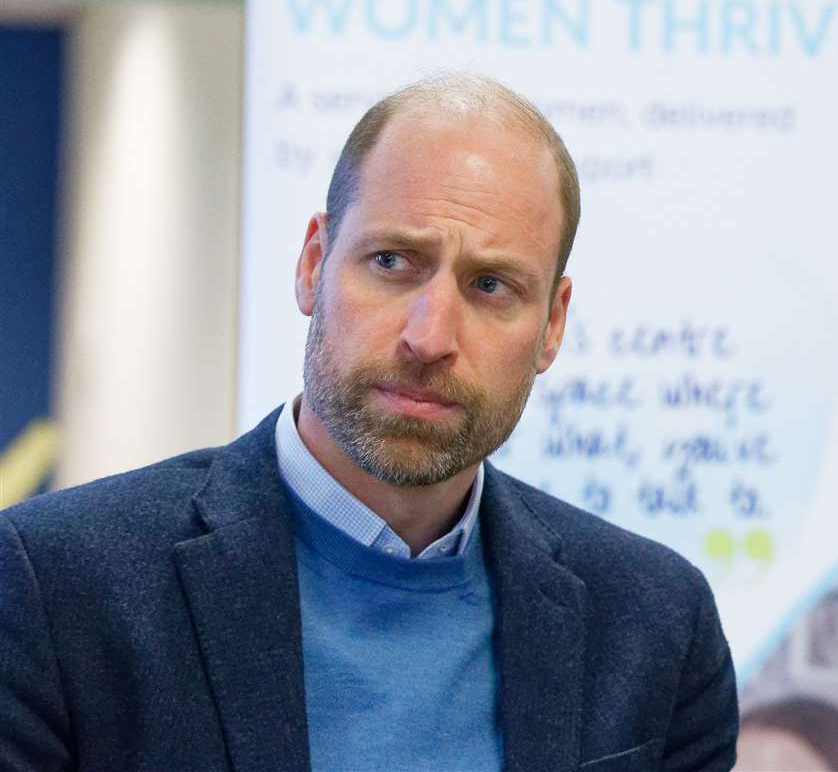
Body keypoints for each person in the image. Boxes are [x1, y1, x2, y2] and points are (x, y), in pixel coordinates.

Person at [0, 74, 737, 771]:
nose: (431, 336)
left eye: (491, 285)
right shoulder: (57, 585)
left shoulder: (655, 624)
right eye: (392, 261)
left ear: (552, 326)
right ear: (313, 264)